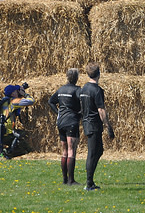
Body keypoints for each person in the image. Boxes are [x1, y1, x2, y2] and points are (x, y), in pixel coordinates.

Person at [78, 62, 115, 191]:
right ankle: (89, 183)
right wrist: (108, 126)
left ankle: (90, 182)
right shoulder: (97, 90)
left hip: (86, 123)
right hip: (94, 124)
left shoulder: (83, 89)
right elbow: (101, 110)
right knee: (93, 153)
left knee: (99, 151)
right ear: (99, 74)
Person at [48, 68, 82, 185]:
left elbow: (51, 101)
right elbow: (84, 103)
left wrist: (58, 113)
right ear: (76, 78)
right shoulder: (77, 90)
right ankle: (71, 180)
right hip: (71, 122)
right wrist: (80, 114)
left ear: (67, 77)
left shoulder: (61, 89)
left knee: (64, 151)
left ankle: (64, 180)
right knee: (71, 150)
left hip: (61, 122)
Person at [0, 83, 35, 159]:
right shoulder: (13, 102)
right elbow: (31, 101)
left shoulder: (3, 101)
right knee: (26, 148)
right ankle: (3, 151)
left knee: (22, 134)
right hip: (6, 133)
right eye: (16, 91)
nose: (17, 92)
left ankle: (5, 154)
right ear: (13, 93)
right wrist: (24, 94)